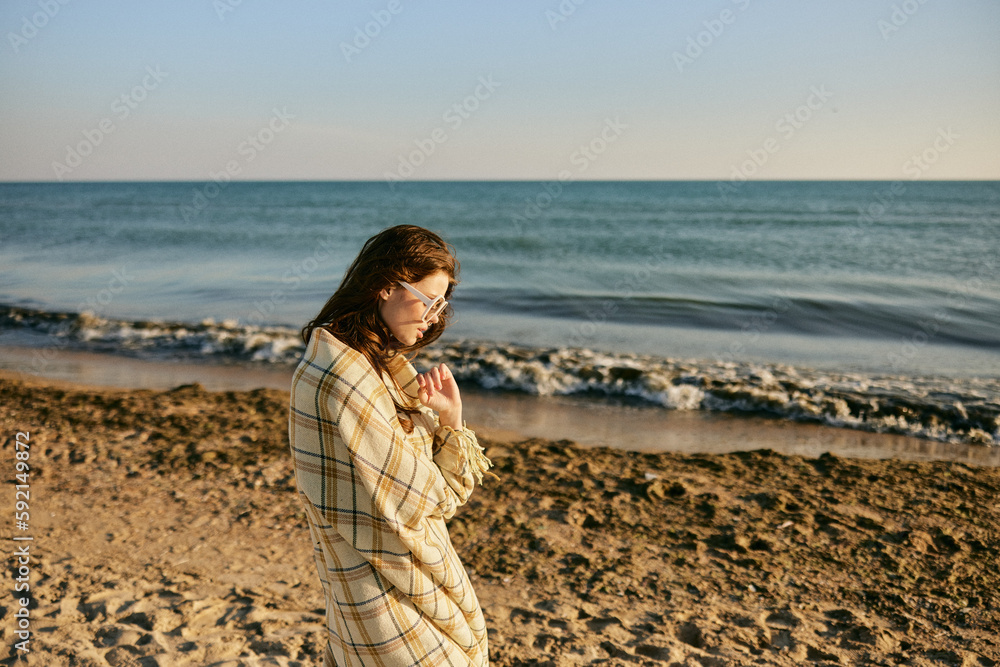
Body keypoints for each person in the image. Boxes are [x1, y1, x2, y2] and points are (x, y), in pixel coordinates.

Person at [289, 225, 494, 667]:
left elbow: (427, 494)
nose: (435, 316)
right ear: (385, 286)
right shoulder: (345, 379)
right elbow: (427, 500)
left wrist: (449, 419)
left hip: (371, 581)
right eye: (428, 299)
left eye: (442, 304)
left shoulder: (362, 366)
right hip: (383, 592)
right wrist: (449, 435)